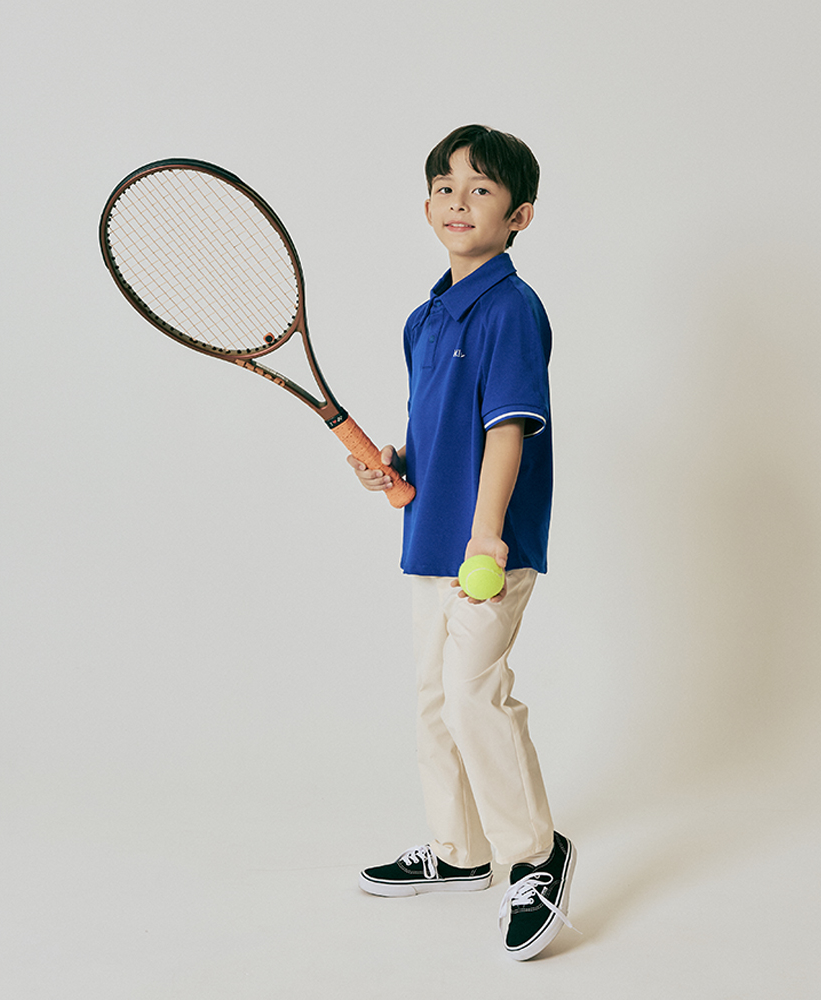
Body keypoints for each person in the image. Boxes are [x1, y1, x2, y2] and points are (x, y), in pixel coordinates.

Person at [348, 124, 575, 961]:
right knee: (435, 700)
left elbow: (508, 429)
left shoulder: (511, 307)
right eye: (445, 186)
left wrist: (486, 538)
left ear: (519, 217)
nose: (458, 200)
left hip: (488, 549)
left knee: (475, 697)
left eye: (480, 189)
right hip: (431, 538)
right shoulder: (424, 317)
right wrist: (393, 468)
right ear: (427, 206)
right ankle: (459, 851)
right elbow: (438, 431)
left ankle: (536, 855)